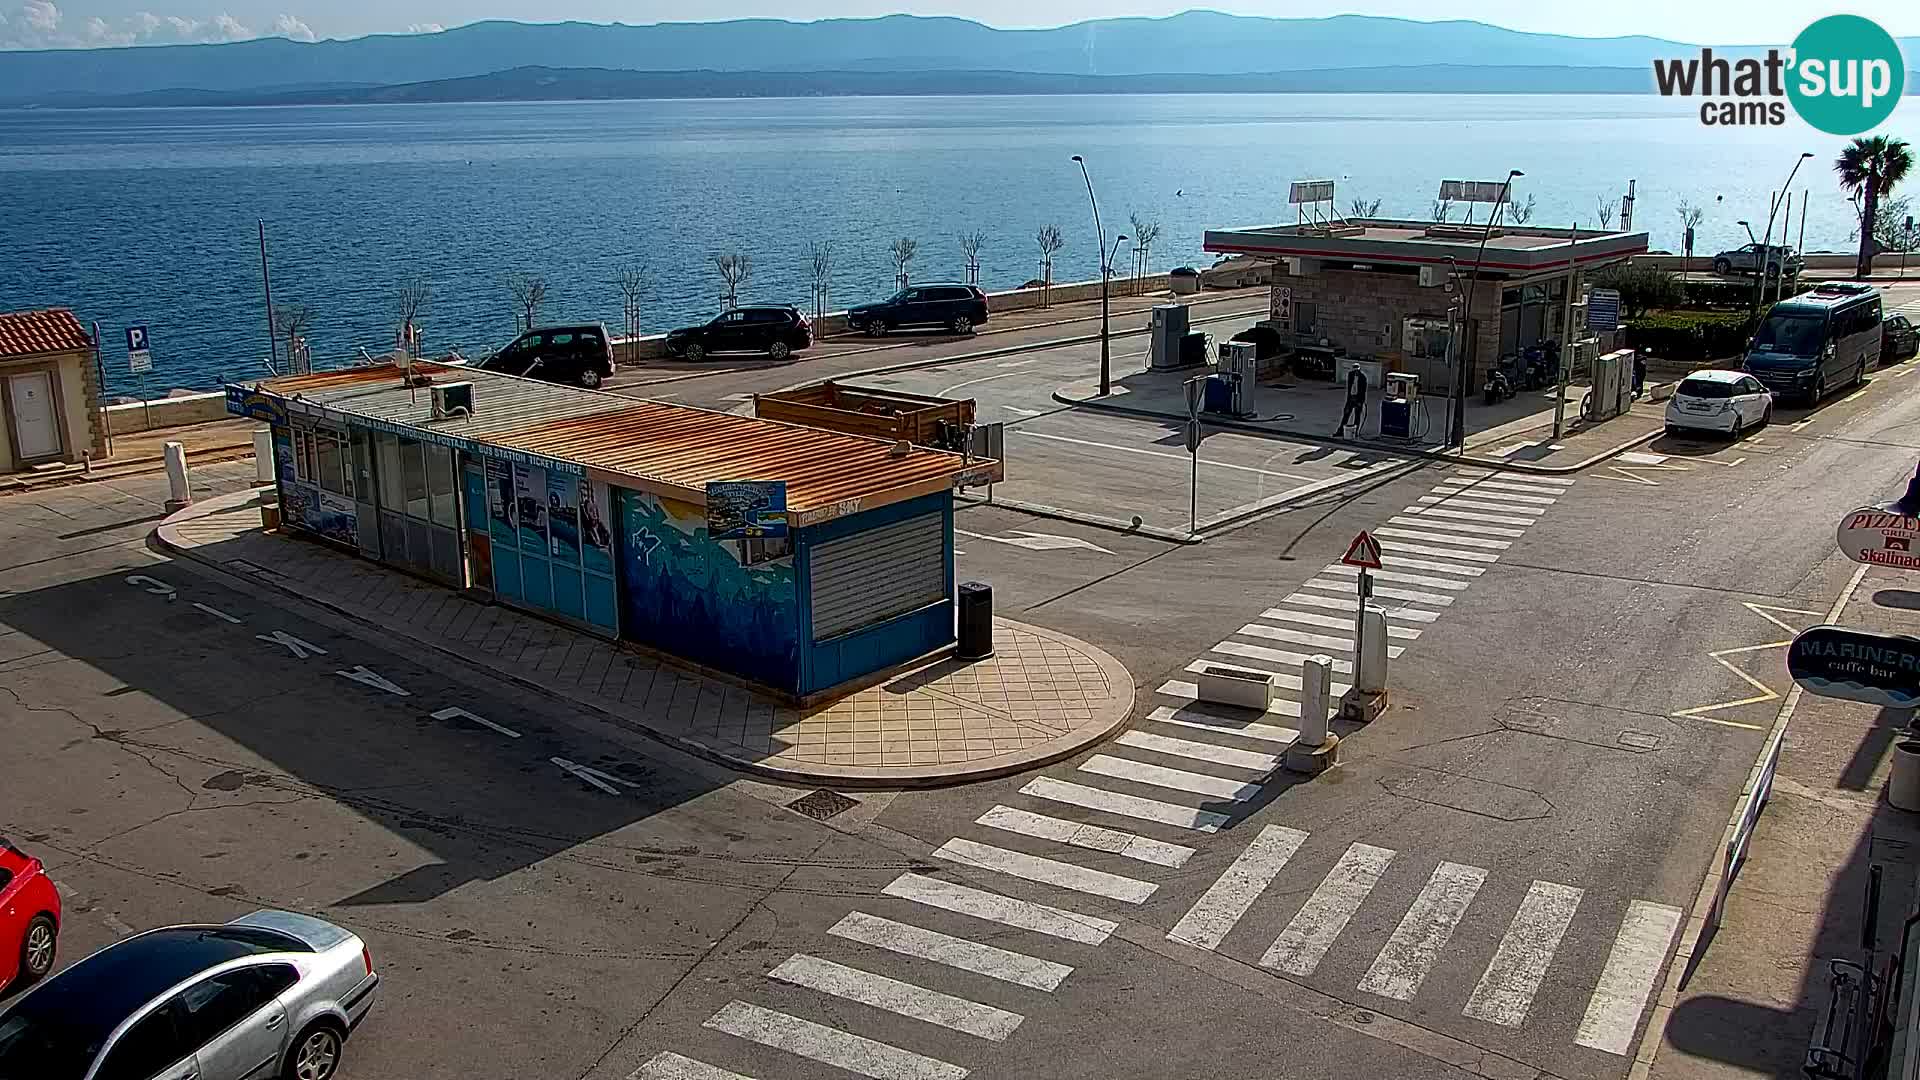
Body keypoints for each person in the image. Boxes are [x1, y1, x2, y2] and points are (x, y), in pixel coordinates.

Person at [1335, 365, 1368, 437]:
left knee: (1357, 416)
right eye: (1355, 371)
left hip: (1358, 399)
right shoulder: (1350, 375)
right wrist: (1348, 399)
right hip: (1351, 398)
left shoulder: (1363, 378)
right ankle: (1340, 431)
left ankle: (1355, 432)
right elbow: (1349, 388)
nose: (1356, 372)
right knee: (1346, 414)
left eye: (1357, 371)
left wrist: (1360, 402)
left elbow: (1363, 391)